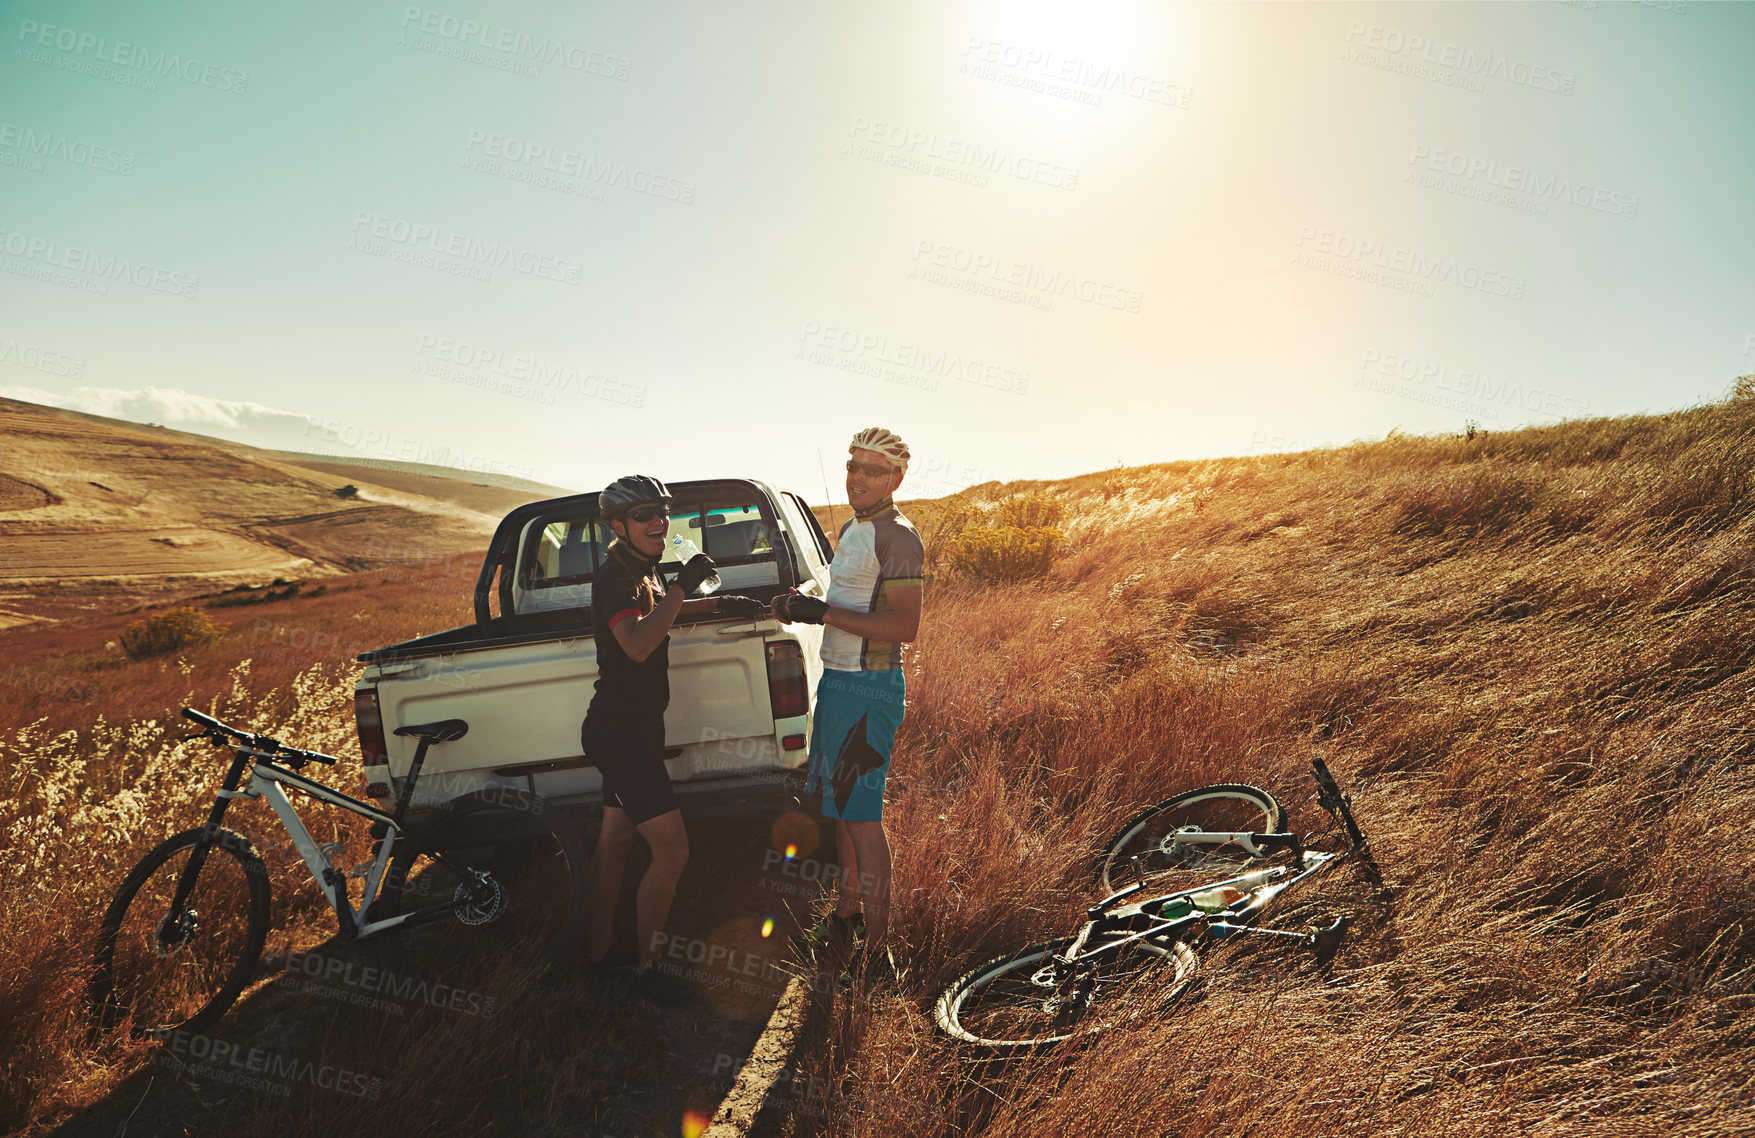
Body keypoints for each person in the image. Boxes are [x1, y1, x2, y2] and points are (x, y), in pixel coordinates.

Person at [580, 474, 765, 1002]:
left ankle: (594, 952)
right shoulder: (616, 577)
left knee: (615, 843)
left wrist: (722, 605)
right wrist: (684, 586)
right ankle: (648, 968)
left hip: (630, 728)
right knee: (674, 849)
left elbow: (660, 614)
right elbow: (637, 643)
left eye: (662, 512)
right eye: (644, 516)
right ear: (618, 526)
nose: (658, 521)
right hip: (621, 733)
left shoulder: (644, 569)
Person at [772, 428, 923, 973]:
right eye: (852, 465)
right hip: (837, 685)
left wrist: (823, 615)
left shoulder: (899, 537)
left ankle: (880, 952)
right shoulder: (853, 529)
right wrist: (805, 602)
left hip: (870, 689)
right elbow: (847, 598)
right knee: (840, 810)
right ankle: (846, 915)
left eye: (872, 470)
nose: (857, 477)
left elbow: (905, 626)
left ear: (896, 478)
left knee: (862, 818)